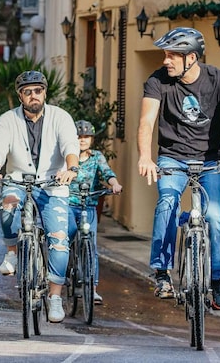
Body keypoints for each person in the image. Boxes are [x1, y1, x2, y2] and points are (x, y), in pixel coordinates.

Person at [137, 27, 220, 310]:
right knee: (167, 202)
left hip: (211, 160)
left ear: (192, 58)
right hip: (172, 158)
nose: (166, 61)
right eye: (165, 54)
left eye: (173, 55)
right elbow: (147, 122)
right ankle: (162, 273)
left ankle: (215, 280)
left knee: (214, 215)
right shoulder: (158, 81)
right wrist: (145, 156)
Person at [0, 71, 79, 323]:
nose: (33, 95)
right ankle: (12, 251)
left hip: (52, 184)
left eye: (37, 90)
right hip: (18, 180)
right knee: (8, 207)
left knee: (58, 239)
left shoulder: (61, 117)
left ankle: (55, 296)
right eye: (27, 91)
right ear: (20, 95)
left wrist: (71, 169)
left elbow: (70, 146)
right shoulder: (7, 120)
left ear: (44, 92)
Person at [67, 120, 123, 305]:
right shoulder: (68, 155)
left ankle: (93, 289)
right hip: (69, 204)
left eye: (86, 136)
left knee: (91, 244)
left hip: (89, 206)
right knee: (65, 239)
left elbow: (107, 173)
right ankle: (65, 274)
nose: (82, 140)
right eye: (79, 136)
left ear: (91, 139)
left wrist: (114, 184)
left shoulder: (97, 156)